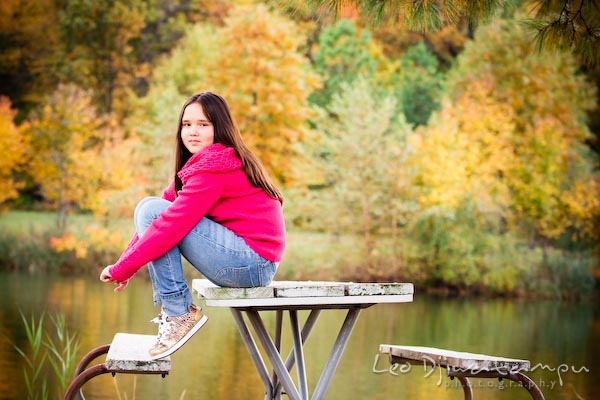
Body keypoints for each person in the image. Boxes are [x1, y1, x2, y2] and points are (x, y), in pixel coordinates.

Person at [100, 92, 286, 359]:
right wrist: (126, 263)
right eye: (187, 125)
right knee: (149, 207)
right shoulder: (206, 163)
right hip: (252, 262)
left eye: (203, 124)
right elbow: (157, 215)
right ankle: (175, 312)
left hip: (252, 263)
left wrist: (123, 268)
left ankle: (178, 313)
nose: (193, 132)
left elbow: (167, 225)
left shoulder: (214, 167)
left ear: (219, 128)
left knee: (154, 212)